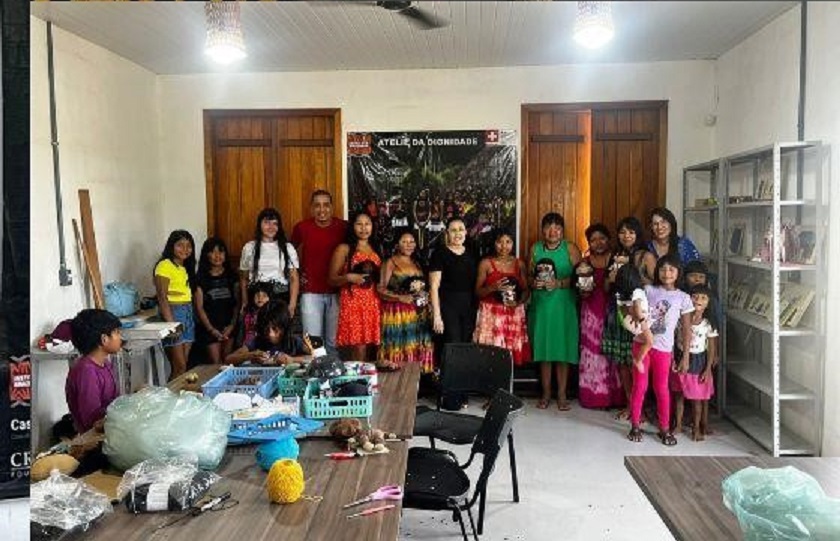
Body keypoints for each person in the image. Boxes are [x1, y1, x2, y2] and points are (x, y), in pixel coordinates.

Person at [627, 254, 694, 446]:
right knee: (639, 386)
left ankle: (664, 428)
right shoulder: (648, 290)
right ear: (657, 271)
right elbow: (633, 309)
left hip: (664, 350)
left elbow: (686, 329)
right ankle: (635, 425)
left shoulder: (683, 298)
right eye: (663, 269)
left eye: (671, 269)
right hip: (641, 345)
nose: (667, 273)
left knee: (662, 389)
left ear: (678, 272)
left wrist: (685, 356)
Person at [602, 216, 657, 416]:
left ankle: (641, 408)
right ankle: (630, 404)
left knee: (637, 361)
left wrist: (630, 274)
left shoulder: (646, 256)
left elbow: (657, 285)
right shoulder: (614, 255)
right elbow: (606, 288)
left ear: (638, 234)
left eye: (631, 232)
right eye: (622, 232)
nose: (626, 236)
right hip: (617, 312)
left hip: (638, 315)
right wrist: (612, 278)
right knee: (622, 362)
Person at [528, 212, 581, 411]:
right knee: (544, 351)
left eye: (557, 228)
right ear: (543, 230)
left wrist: (559, 283)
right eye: (548, 227)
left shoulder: (570, 248)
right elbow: (528, 276)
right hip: (542, 306)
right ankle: (545, 393)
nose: (553, 231)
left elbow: (580, 277)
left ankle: (562, 394)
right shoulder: (535, 248)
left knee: (562, 350)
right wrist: (534, 283)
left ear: (562, 231)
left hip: (564, 305)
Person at [429, 217, 479, 410]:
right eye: (453, 230)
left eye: (461, 229)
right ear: (447, 233)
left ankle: (462, 393)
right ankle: (449, 396)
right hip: (447, 306)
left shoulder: (472, 253)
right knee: (451, 348)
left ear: (466, 232)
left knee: (465, 348)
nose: (458, 233)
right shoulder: (440, 253)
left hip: (468, 307)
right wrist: (437, 315)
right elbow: (434, 286)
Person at [291, 190, 348, 354]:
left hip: (337, 292)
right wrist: (298, 274)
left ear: (332, 207)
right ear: (311, 208)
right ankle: (316, 371)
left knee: (333, 342)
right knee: (313, 344)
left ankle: (334, 370)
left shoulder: (343, 227)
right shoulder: (302, 228)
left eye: (326, 205)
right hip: (310, 293)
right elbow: (288, 253)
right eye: (317, 205)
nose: (322, 209)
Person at [576, 223, 624, 409]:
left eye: (602, 238)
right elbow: (581, 292)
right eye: (593, 240)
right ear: (589, 243)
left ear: (609, 239)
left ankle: (616, 398)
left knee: (613, 352)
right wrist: (582, 289)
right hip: (591, 313)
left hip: (614, 311)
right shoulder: (584, 263)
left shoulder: (617, 260)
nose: (598, 243)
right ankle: (594, 397)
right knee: (593, 353)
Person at [377, 229, 434, 373]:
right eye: (404, 241)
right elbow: (380, 289)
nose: (409, 245)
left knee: (416, 344)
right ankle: (398, 381)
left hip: (418, 313)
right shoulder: (390, 262)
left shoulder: (418, 263)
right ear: (397, 244)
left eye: (412, 241)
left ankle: (417, 379)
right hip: (397, 313)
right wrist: (399, 297)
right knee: (400, 344)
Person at [329, 210, 382, 362]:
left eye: (367, 224)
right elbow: (331, 279)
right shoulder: (344, 248)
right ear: (352, 226)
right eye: (359, 224)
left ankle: (369, 375)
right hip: (353, 303)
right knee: (358, 346)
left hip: (374, 302)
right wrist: (349, 277)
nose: (364, 228)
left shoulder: (376, 248)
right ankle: (358, 376)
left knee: (372, 345)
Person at [473, 229, 530, 366]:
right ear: (494, 243)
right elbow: (477, 292)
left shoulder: (519, 264)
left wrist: (518, 302)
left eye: (508, 242)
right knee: (490, 356)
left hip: (512, 314)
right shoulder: (486, 263)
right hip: (490, 315)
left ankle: (508, 380)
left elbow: (526, 290)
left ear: (513, 243)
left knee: (510, 358)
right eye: (500, 242)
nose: (504, 246)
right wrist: (493, 287)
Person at [673, 284, 719, 441]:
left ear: (708, 303)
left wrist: (708, 369)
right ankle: (678, 425)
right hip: (680, 358)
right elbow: (673, 340)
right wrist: (673, 359)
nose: (698, 300)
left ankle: (696, 429)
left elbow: (711, 348)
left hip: (699, 362)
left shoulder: (708, 324)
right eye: (695, 296)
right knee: (679, 395)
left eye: (703, 298)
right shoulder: (680, 319)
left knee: (697, 399)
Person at [65, 309, 122, 434]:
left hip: (110, 429)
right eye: (117, 333)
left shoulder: (104, 364)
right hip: (95, 438)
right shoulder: (86, 372)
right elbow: (93, 421)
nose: (120, 337)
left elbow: (113, 403)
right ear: (104, 339)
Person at [240, 208, 299, 316]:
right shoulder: (249, 248)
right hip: (256, 299)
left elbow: (294, 278)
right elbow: (244, 278)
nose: (271, 227)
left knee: (276, 326)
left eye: (275, 223)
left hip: (279, 299)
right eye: (267, 222)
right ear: (259, 225)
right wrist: (245, 302)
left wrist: (292, 305)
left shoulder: (287, 248)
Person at [154, 229, 197, 380]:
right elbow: (162, 297)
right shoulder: (164, 265)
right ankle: (169, 394)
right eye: (180, 245)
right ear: (171, 246)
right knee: (179, 366)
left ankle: (177, 393)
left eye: (188, 246)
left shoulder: (185, 267)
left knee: (183, 367)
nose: (185, 249)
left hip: (187, 313)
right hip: (173, 313)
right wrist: (171, 324)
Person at [194, 237, 239, 364]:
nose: (217, 255)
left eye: (220, 251)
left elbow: (238, 304)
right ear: (206, 255)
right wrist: (211, 330)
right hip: (209, 328)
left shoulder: (232, 276)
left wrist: (231, 326)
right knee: (215, 364)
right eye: (212, 252)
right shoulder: (200, 279)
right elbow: (199, 308)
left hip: (229, 326)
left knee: (228, 362)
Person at [226, 300, 312, 366]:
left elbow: (316, 358)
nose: (270, 334)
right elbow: (228, 359)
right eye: (266, 329)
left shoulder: (294, 341)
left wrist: (292, 360)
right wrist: (251, 355)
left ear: (284, 327)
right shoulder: (258, 341)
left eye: (275, 329)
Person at [238, 281, 273, 348]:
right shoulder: (248, 313)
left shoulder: (272, 314)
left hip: (264, 346)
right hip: (247, 345)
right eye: (257, 295)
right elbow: (242, 331)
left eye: (264, 295)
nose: (260, 298)